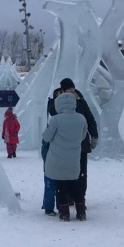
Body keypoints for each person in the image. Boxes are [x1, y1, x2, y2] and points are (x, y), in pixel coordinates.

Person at [42, 92, 88, 221]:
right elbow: (83, 136)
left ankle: (64, 214)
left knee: (61, 187)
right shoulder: (81, 118)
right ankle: (81, 212)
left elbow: (47, 137)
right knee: (75, 185)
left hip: (57, 159)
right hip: (73, 158)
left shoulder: (55, 120)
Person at [50, 78, 98, 201]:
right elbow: (52, 112)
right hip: (64, 144)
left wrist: (94, 135)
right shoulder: (58, 101)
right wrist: (57, 99)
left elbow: (90, 119)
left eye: (72, 88)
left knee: (81, 171)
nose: (72, 90)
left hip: (80, 143)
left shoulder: (81, 101)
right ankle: (68, 195)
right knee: (66, 170)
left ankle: (80, 197)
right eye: (69, 89)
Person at [41, 88, 62, 216]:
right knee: (52, 183)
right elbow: (46, 141)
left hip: (55, 156)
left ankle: (58, 204)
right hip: (53, 156)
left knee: (55, 183)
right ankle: (50, 205)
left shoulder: (56, 120)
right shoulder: (53, 119)